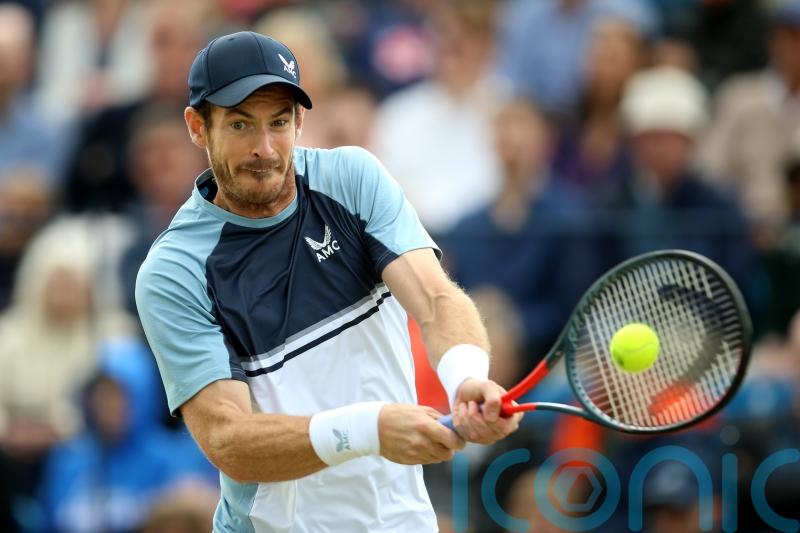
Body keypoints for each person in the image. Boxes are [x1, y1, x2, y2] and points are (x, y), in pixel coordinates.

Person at [135, 31, 520, 532]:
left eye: (279, 122)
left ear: (299, 119)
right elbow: (229, 440)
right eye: (240, 125)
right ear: (197, 127)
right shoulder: (174, 271)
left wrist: (466, 378)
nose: (265, 148)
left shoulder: (352, 179)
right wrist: (368, 430)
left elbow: (435, 297)